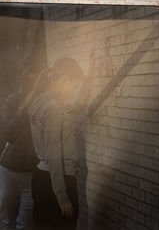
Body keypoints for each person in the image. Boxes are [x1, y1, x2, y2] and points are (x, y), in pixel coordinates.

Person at [27, 55, 93, 230]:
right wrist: (62, 197)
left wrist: (88, 77)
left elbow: (75, 105)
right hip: (58, 180)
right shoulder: (55, 109)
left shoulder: (39, 102)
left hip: (41, 178)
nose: (72, 91)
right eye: (73, 86)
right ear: (65, 79)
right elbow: (55, 155)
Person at [0, 61, 40, 230]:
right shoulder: (13, 100)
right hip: (9, 170)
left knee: (25, 224)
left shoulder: (44, 103)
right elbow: (8, 133)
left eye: (33, 82)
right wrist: (25, 105)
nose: (28, 86)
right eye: (26, 81)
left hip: (32, 174)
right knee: (8, 221)